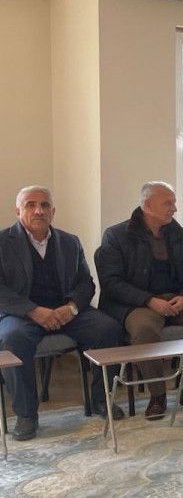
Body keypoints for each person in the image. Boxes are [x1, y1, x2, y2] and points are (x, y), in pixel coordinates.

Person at [95, 181, 183, 418]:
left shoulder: (181, 234)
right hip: (138, 303)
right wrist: (149, 300)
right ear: (148, 206)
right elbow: (111, 282)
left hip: (178, 300)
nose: (174, 208)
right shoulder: (116, 235)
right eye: (168, 203)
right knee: (144, 330)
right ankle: (157, 395)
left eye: (174, 202)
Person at [0, 186, 124, 439]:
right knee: (12, 339)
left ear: (53, 211)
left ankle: (101, 399)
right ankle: (26, 414)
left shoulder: (70, 242)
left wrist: (72, 307)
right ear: (18, 211)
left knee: (108, 328)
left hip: (65, 310)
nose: (39, 210)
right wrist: (33, 311)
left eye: (45, 205)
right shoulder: (3, 242)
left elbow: (85, 283)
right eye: (31, 205)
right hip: (21, 314)